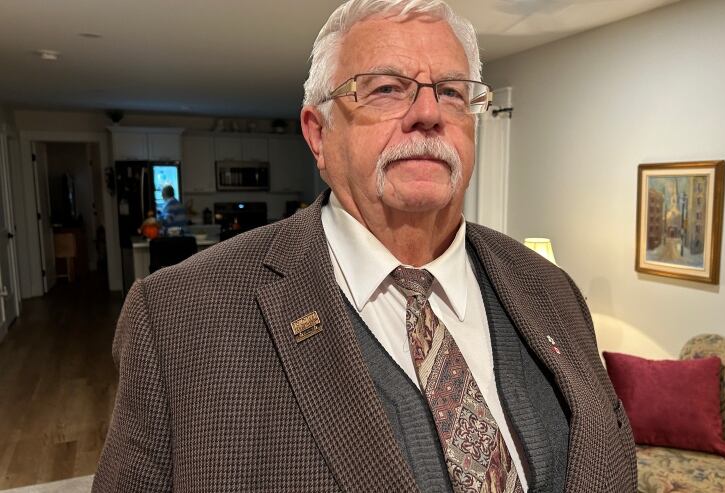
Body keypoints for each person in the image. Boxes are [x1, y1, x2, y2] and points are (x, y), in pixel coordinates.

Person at [93, 1, 636, 491]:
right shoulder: (176, 320)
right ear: (318, 135)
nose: (429, 113)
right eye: (385, 88)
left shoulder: (552, 289)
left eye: (450, 91)